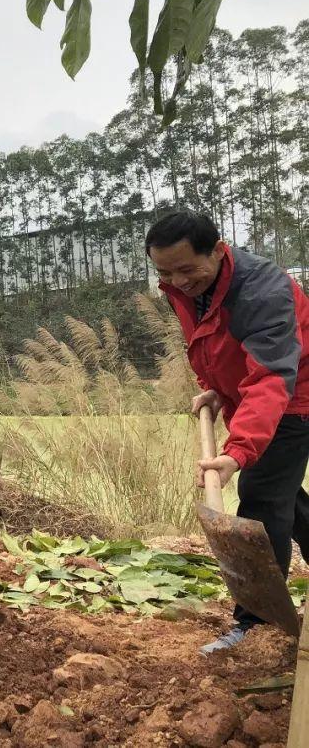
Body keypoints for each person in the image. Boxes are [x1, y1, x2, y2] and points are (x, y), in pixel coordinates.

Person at [145, 211, 309, 654]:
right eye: (164, 272)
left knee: (261, 498)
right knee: (284, 496)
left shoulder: (263, 290)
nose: (177, 281)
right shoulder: (186, 287)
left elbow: (272, 376)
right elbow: (215, 342)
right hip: (256, 395)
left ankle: (258, 623)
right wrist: (216, 389)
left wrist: (237, 453)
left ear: (218, 250)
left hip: (295, 395)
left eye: (186, 269)